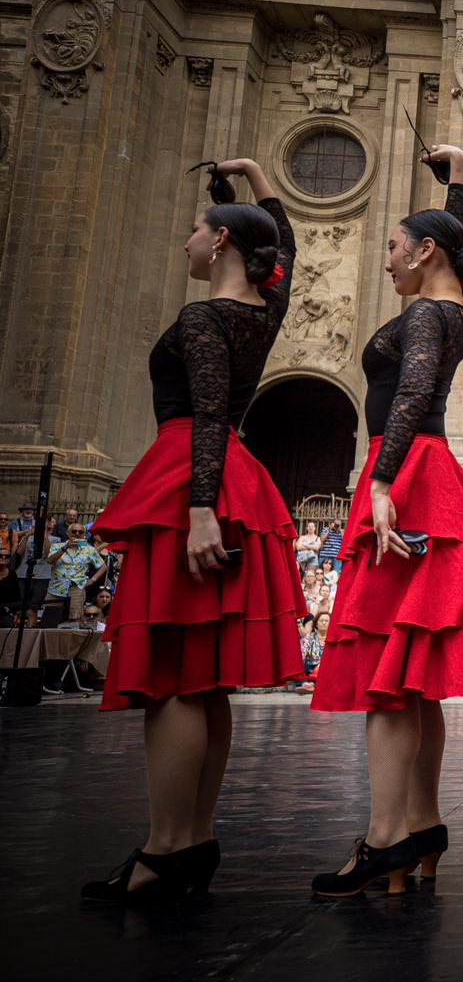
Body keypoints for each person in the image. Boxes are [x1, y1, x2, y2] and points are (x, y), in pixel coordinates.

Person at [80, 157, 306, 904]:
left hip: (191, 477)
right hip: (231, 471)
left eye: (196, 231)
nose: (186, 242)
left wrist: (200, 509)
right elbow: (288, 248)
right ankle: (195, 837)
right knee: (204, 681)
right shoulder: (262, 314)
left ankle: (165, 844)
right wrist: (255, 178)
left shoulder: (205, 318)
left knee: (175, 678)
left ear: (221, 246)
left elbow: (206, 411)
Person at [309, 144, 463, 896]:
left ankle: (386, 837)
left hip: (408, 474)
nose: (388, 259)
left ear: (423, 252)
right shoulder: (461, 305)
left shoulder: (426, 312)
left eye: (395, 247)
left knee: (388, 681)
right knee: (413, 678)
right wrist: (458, 182)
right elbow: (449, 257)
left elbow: (411, 393)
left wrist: (383, 481)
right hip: (431, 474)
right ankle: (421, 826)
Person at [47, 522, 108, 624]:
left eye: (81, 532)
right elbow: (50, 561)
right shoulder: (57, 546)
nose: (77, 533)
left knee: (74, 619)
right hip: (56, 587)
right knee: (50, 618)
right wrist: (65, 547)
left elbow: (103, 566)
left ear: (84, 534)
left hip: (76, 587)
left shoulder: (89, 549)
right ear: (68, 533)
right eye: (74, 531)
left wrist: (92, 580)